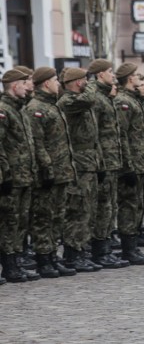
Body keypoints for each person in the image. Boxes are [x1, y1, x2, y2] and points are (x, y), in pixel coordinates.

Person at [26, 67, 78, 277]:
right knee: (43, 218)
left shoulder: (53, 106)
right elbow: (37, 143)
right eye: (56, 80)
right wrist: (46, 169)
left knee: (57, 217)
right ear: (46, 83)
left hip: (61, 171)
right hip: (48, 174)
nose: (59, 83)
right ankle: (43, 259)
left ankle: (53, 257)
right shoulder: (35, 108)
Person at [58, 67, 102, 272]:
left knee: (88, 209)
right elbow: (90, 99)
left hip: (89, 162)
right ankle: (73, 253)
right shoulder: (68, 101)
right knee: (78, 209)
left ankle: (82, 250)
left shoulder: (81, 100)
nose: (88, 82)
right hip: (77, 163)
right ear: (77, 82)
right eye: (84, 79)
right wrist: (93, 83)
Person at [87, 59, 129, 269]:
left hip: (112, 159)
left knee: (109, 206)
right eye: (110, 72)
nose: (113, 75)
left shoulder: (105, 96)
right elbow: (94, 134)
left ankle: (105, 248)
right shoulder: (95, 97)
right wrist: (101, 163)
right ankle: (99, 250)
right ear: (99, 75)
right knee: (102, 207)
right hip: (102, 160)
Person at [113, 63, 144, 265]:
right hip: (131, 164)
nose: (141, 80)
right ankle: (128, 249)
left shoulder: (132, 100)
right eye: (138, 76)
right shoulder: (123, 101)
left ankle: (133, 246)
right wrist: (127, 166)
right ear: (130, 78)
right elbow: (121, 136)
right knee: (129, 206)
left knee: (136, 205)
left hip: (139, 163)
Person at [0, 69, 39, 283]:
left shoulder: (20, 109)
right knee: (9, 222)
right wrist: (4, 175)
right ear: (15, 86)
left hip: (24, 176)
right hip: (11, 178)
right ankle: (9, 265)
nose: (28, 87)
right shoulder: (4, 110)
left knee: (20, 222)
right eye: (25, 83)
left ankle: (15, 262)